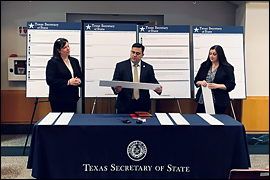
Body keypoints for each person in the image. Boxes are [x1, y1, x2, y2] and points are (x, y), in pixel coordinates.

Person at [111, 43, 162, 114]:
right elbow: (114, 82)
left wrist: (158, 89)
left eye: (137, 53)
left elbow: (153, 82)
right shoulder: (121, 66)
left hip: (142, 106)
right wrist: (116, 89)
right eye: (133, 52)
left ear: (142, 55)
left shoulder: (148, 68)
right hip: (124, 106)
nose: (134, 55)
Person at [194, 45, 235, 114]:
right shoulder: (204, 65)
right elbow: (196, 81)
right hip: (203, 100)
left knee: (216, 122)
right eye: (210, 54)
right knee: (200, 120)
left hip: (219, 101)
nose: (211, 56)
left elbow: (231, 85)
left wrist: (217, 86)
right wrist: (201, 82)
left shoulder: (227, 68)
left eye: (214, 54)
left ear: (219, 55)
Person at [46, 38, 83, 113]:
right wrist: (68, 82)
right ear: (58, 50)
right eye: (64, 47)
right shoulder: (53, 62)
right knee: (60, 122)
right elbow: (50, 80)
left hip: (72, 98)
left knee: (71, 120)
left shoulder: (74, 61)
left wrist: (79, 81)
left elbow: (80, 76)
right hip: (58, 98)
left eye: (68, 46)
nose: (68, 49)